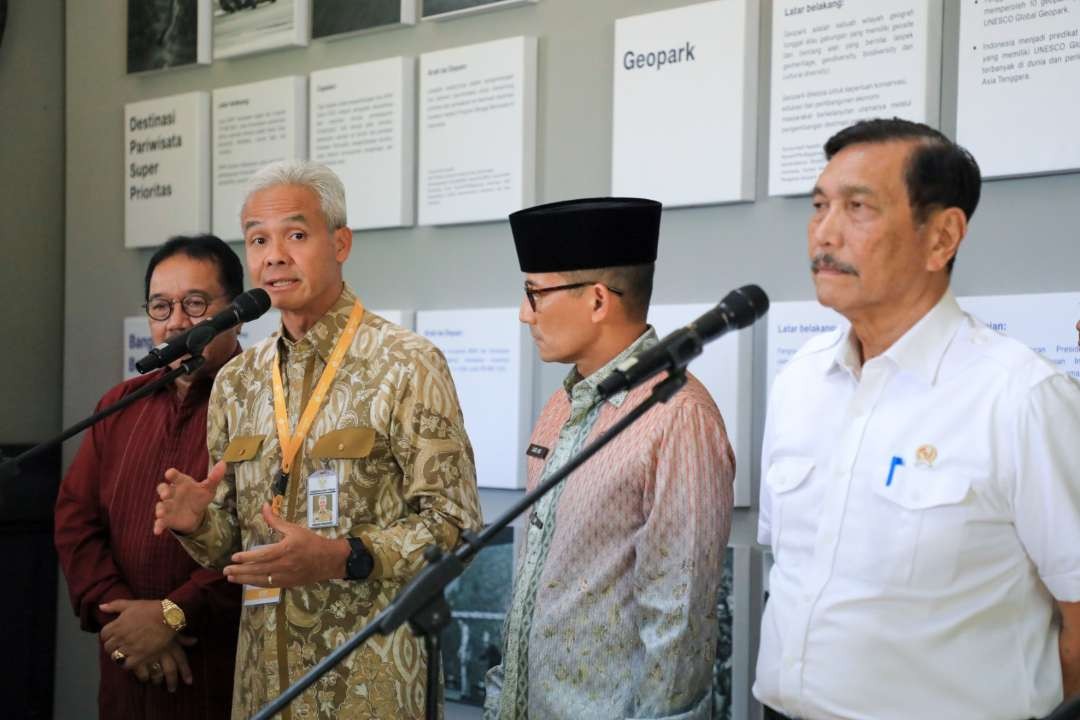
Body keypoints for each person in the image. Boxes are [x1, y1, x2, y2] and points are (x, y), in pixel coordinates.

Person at [755, 118, 1080, 720]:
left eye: (858, 208)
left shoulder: (1022, 398)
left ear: (942, 238)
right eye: (819, 205)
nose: (824, 234)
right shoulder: (800, 380)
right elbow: (790, 569)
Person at [154, 160, 483, 720]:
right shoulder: (238, 380)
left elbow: (455, 525)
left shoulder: (406, 363)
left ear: (341, 242)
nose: (273, 255)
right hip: (263, 685)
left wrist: (342, 557)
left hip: (369, 683)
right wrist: (196, 524)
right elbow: (234, 542)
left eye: (296, 235)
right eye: (258, 239)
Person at [484, 197, 736, 719]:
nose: (523, 313)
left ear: (598, 300)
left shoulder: (678, 416)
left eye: (534, 293)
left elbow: (679, 613)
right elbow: (534, 573)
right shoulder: (564, 402)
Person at [55, 235, 244, 719]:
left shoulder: (265, 406)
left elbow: (266, 539)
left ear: (236, 312)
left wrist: (171, 615)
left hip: (221, 669)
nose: (176, 321)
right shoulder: (120, 404)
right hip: (127, 670)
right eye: (161, 307)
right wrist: (124, 620)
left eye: (195, 304)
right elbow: (76, 522)